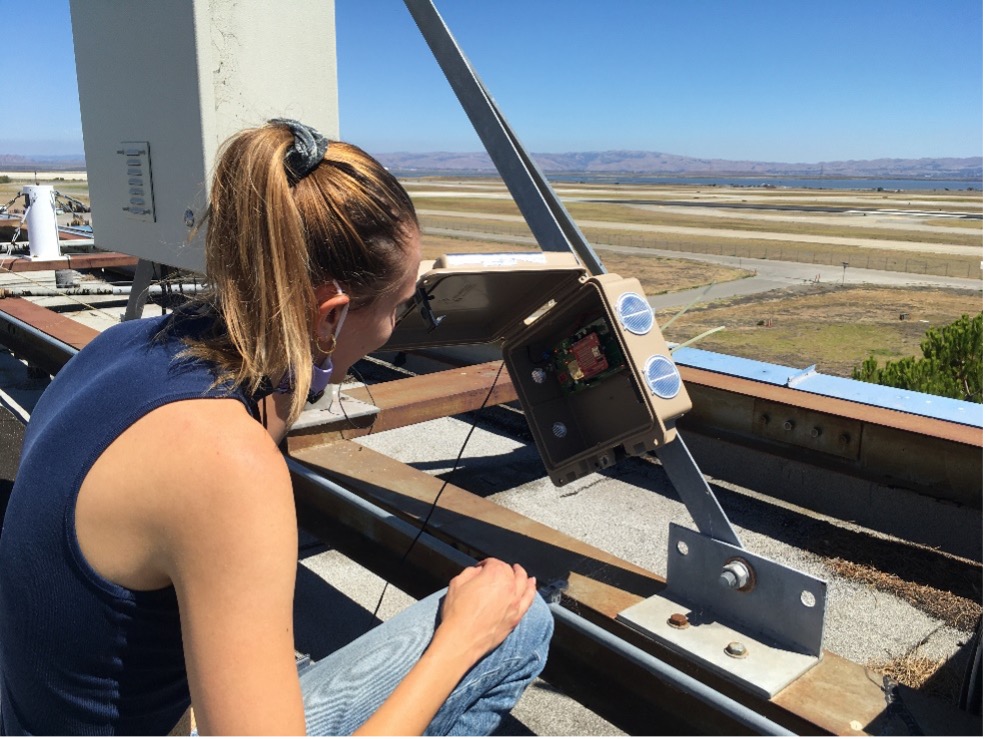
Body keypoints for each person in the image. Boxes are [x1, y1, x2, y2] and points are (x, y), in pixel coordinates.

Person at [0, 119, 553, 735]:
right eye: (399, 307)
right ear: (331, 317)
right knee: (520, 626)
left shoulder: (123, 347)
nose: (398, 325)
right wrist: (463, 637)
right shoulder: (226, 462)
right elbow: (221, 482)